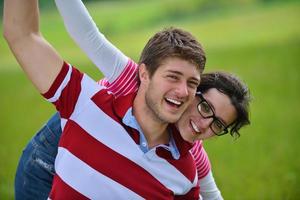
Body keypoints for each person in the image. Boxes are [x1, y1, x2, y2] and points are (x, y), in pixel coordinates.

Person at [13, 0, 251, 200]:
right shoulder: (121, 82)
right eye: (205, 107)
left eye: (218, 124)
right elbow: (85, 35)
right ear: (144, 74)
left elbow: (210, 194)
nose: (203, 123)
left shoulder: (189, 159)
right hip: (62, 140)